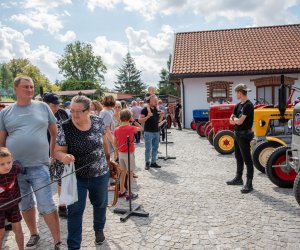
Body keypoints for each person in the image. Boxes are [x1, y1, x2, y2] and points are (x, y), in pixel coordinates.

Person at [0, 76, 62, 249]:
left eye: (31, 87)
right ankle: (34, 233)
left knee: (47, 204)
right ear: (15, 88)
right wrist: (4, 167)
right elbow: (1, 143)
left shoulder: (42, 106)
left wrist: (51, 155)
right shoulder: (5, 113)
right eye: (26, 87)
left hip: (39, 165)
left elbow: (54, 132)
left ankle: (57, 240)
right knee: (25, 203)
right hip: (15, 169)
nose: (29, 89)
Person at [53, 95, 111, 249]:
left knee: (100, 204)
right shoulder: (64, 127)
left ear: (89, 109)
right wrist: (63, 156)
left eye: (79, 111)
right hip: (76, 177)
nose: (75, 115)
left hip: (100, 173)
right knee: (75, 211)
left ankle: (99, 230)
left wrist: (109, 161)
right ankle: (73, 246)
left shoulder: (98, 121)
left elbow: (104, 143)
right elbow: (57, 151)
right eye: (72, 111)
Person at [43, 93, 69, 218]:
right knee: (45, 181)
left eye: (58, 104)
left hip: (60, 153)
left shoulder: (62, 113)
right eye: (54, 105)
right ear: (46, 104)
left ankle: (62, 205)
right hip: (44, 154)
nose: (57, 107)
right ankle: (45, 207)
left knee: (62, 180)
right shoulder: (39, 116)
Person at [227, 83, 254, 194]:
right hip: (237, 134)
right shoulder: (237, 105)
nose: (236, 94)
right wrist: (235, 119)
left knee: (247, 159)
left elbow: (240, 121)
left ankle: (249, 183)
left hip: (244, 135)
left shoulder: (248, 105)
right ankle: (239, 178)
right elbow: (231, 120)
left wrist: (235, 119)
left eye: (236, 92)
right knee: (238, 157)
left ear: (240, 92)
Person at [114, 109, 143, 200]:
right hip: (129, 154)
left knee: (123, 172)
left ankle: (122, 190)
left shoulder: (116, 129)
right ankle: (129, 193)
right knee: (130, 173)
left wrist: (116, 154)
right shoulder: (131, 128)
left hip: (120, 153)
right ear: (129, 118)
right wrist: (134, 120)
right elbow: (141, 128)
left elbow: (115, 143)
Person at [0, 147, 24, 250]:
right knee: (1, 233)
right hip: (0, 209)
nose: (7, 166)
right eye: (2, 164)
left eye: (9, 162)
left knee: (18, 228)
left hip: (13, 206)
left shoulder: (15, 168)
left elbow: (19, 165)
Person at [139, 96, 163, 170]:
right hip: (148, 132)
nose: (156, 102)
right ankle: (147, 163)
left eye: (156, 101)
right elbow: (140, 120)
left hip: (156, 131)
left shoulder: (156, 109)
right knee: (148, 148)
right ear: (149, 101)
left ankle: (153, 162)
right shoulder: (145, 110)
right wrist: (148, 117)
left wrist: (162, 115)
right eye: (154, 101)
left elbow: (158, 121)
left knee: (155, 148)